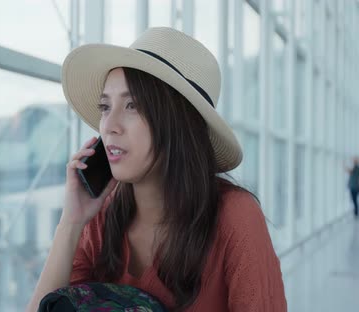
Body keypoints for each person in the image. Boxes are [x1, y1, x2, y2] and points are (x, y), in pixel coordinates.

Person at [26, 27, 286, 311]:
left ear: (177, 123)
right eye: (105, 106)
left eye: (132, 105)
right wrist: (71, 223)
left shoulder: (234, 215)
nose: (109, 126)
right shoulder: (102, 216)